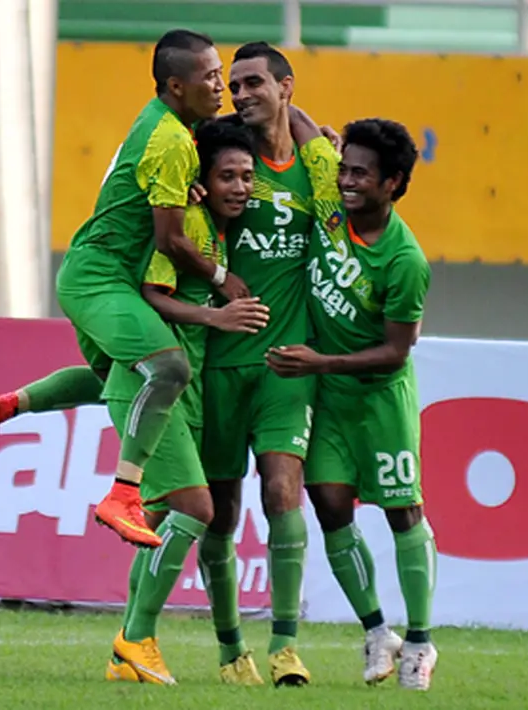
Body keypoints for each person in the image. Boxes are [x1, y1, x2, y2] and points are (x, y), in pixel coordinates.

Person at [0, 29, 248, 550]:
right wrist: (223, 282)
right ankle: (123, 494)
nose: (221, 86)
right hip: (100, 278)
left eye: (222, 74)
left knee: (112, 377)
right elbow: (170, 239)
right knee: (171, 372)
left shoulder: (168, 127)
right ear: (176, 86)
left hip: (100, 274)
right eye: (211, 77)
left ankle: (3, 407)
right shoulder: (173, 141)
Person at [265, 112, 439, 690]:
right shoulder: (331, 206)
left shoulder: (405, 261)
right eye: (345, 168)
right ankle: (375, 630)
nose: (346, 179)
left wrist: (321, 362)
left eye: (361, 174)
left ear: (393, 183)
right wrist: (281, 99)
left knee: (401, 512)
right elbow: (292, 112)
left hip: (379, 399)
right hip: (330, 397)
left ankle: (419, 642)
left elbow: (395, 352)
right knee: (332, 507)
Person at [104, 119, 268, 685]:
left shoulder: (216, 226)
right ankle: (136, 639)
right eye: (227, 176)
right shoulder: (190, 223)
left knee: (158, 517)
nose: (241, 186)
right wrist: (215, 314)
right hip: (165, 384)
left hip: (190, 390)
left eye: (247, 176)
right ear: (202, 182)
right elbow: (153, 293)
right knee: (197, 510)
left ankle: (125, 651)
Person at [193, 41, 320, 688]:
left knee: (280, 490)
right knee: (218, 511)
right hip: (217, 363)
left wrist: (305, 126)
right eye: (233, 84)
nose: (239, 94)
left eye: (252, 84)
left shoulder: (316, 166)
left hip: (284, 365)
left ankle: (285, 647)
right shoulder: (222, 161)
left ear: (284, 86)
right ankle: (227, 648)